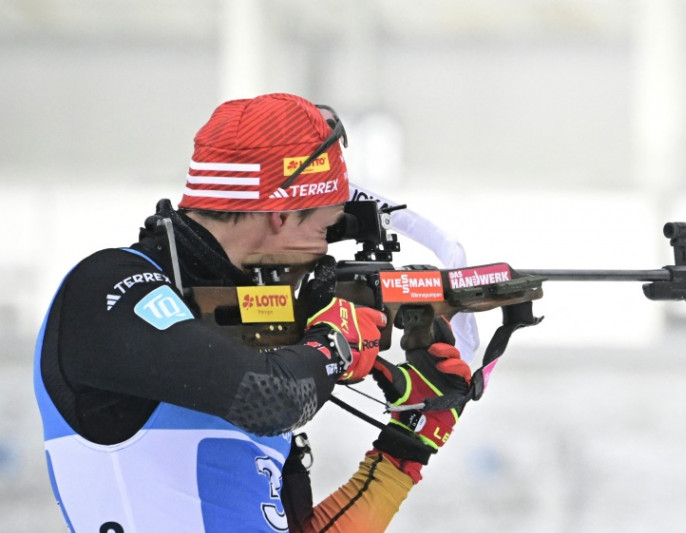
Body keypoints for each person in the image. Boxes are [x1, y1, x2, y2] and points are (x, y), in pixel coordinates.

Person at [34, 93, 472, 533]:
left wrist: (405, 449)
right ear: (280, 215)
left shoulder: (246, 339)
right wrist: (333, 343)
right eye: (323, 228)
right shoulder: (106, 286)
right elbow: (272, 398)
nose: (322, 251)